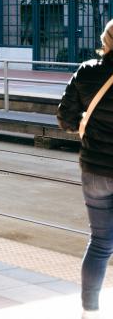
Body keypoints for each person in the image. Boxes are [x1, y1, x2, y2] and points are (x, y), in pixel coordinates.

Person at [58, 19, 113, 319]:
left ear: (105, 41)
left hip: (94, 169)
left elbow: (65, 118)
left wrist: (84, 122)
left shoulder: (87, 72)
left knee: (101, 242)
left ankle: (89, 312)